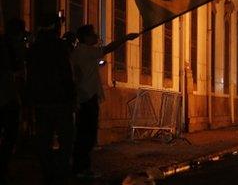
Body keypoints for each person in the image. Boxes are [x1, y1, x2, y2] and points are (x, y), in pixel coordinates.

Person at [71, 24, 138, 178]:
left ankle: (79, 167)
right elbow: (108, 48)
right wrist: (126, 38)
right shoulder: (86, 51)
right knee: (87, 135)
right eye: (93, 34)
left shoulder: (77, 52)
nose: (96, 36)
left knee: (83, 133)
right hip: (88, 97)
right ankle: (82, 168)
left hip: (83, 96)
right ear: (86, 37)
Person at [27, 13, 76, 183]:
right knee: (66, 138)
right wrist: (72, 97)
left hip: (41, 101)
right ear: (56, 27)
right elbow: (66, 74)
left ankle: (47, 171)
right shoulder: (59, 47)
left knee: (44, 138)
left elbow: (30, 75)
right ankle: (60, 170)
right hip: (60, 99)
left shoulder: (34, 48)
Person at [0, 20, 23, 184]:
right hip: (6, 96)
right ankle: (2, 167)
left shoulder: (6, 43)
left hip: (7, 94)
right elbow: (16, 67)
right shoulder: (10, 46)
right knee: (10, 133)